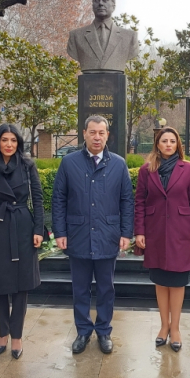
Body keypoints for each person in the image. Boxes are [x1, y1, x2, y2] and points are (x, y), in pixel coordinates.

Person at [52, 115, 134, 354]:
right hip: (78, 234)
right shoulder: (69, 163)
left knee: (106, 288)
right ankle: (83, 331)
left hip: (108, 235)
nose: (97, 137)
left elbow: (126, 200)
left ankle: (104, 331)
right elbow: (59, 199)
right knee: (80, 288)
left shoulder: (119, 164)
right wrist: (60, 231)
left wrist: (126, 232)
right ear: (84, 133)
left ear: (108, 135)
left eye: (101, 132)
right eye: (92, 132)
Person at [0, 124, 44, 360]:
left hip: (22, 226)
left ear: (19, 143)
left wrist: (38, 229)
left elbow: (39, 198)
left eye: (13, 140)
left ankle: (17, 336)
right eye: (5, 140)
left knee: (21, 285)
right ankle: (2, 333)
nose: (9, 144)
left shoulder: (27, 165)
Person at [134, 127, 190, 352]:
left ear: (177, 145)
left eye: (172, 141)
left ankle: (176, 328)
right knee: (161, 281)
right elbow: (140, 203)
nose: (168, 144)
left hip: (181, 233)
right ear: (157, 144)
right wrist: (140, 231)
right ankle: (163, 326)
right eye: (164, 141)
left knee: (177, 282)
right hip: (155, 232)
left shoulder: (188, 169)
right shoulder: (147, 170)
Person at [67, 0, 139, 72]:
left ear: (113, 6)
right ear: (92, 5)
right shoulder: (76, 36)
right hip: (88, 80)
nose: (100, 3)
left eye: (105, 0)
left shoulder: (129, 37)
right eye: (97, 0)